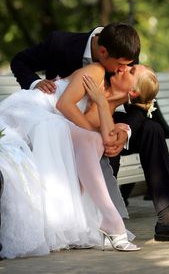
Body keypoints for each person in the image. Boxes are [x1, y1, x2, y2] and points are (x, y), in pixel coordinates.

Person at [9, 22, 169, 243]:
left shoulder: (124, 51)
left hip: (103, 112)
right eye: (123, 64)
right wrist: (37, 82)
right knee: (99, 140)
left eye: (130, 65)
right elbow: (20, 62)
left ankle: (168, 220)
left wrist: (126, 131)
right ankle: (104, 215)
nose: (124, 67)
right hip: (62, 118)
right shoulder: (61, 44)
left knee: (152, 129)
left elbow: (139, 100)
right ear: (102, 52)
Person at [0, 61, 159, 258]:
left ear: (133, 92)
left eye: (131, 71)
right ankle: (110, 219)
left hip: (49, 126)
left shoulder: (105, 112)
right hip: (30, 110)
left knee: (94, 142)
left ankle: (93, 219)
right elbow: (65, 107)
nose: (124, 67)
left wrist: (101, 102)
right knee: (91, 139)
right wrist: (98, 130)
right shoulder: (97, 72)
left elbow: (107, 142)